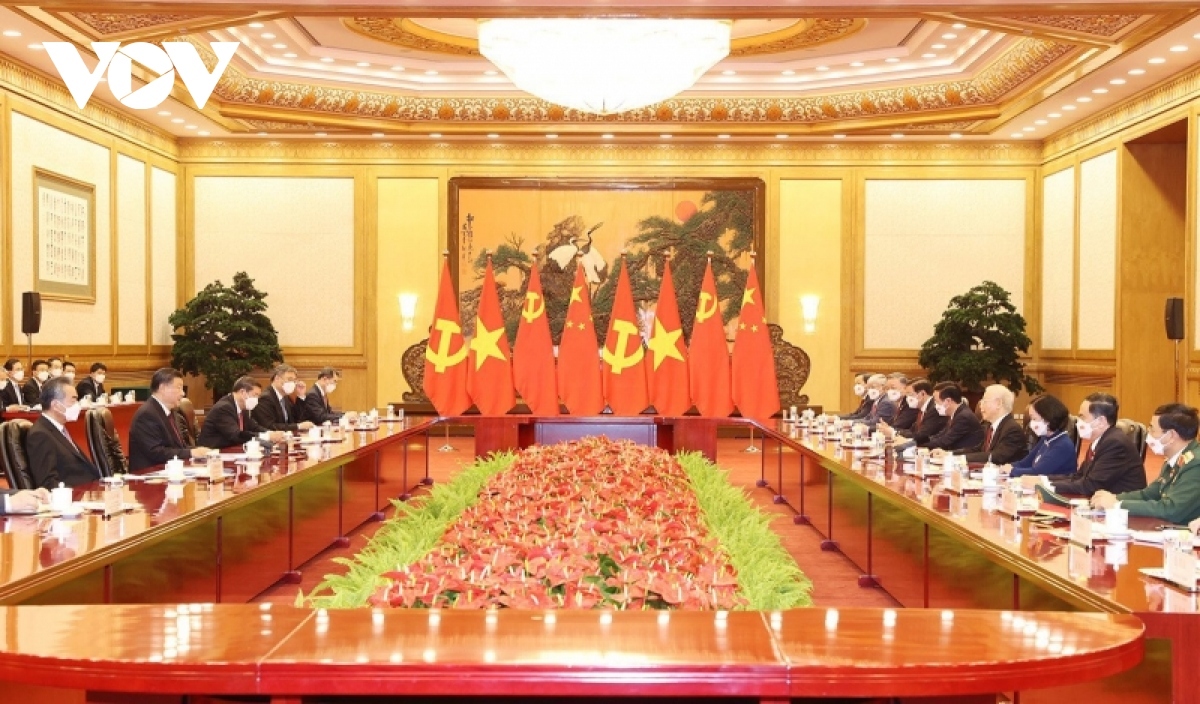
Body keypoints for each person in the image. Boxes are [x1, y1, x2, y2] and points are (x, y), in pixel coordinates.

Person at [1091, 404, 1200, 524]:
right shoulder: (1176, 459)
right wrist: (1114, 497)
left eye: (1152, 429)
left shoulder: (1195, 464)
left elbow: (1171, 510)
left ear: (1171, 435)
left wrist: (1117, 505)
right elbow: (1148, 494)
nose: (1148, 434)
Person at [1023, 393, 1146, 496]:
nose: (1078, 422)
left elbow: (1090, 485)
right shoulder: (1101, 440)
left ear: (1101, 421)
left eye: (1083, 417)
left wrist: (1044, 485)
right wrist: (1042, 479)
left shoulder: (1115, 444)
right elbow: (1079, 476)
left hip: (1124, 512)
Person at [129, 368, 212, 472]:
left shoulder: (172, 411)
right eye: (179, 388)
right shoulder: (147, 414)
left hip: (170, 470)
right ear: (163, 388)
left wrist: (198, 451)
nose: (183, 393)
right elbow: (156, 452)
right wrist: (191, 453)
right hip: (149, 474)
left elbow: (179, 446)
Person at [26, 378, 101, 489]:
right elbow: (48, 483)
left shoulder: (59, 429)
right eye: (73, 400)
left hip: (92, 489)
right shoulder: (40, 435)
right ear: (56, 405)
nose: (78, 405)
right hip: (75, 495)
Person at [197, 376, 284, 450]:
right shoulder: (224, 408)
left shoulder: (243, 408)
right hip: (212, 453)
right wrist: (267, 436)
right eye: (255, 395)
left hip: (232, 451)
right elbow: (236, 435)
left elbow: (254, 427)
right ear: (243, 392)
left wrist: (271, 433)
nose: (257, 400)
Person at [1005, 394, 1077, 478]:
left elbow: (1038, 472)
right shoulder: (1046, 439)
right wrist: (1006, 467)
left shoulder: (1063, 445)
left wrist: (1012, 470)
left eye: (1034, 419)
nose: (1031, 423)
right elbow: (1025, 463)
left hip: (1055, 486)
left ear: (1047, 419)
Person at [958, 385, 1028, 465]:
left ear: (998, 403)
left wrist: (962, 459)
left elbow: (996, 456)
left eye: (984, 401)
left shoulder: (1012, 429)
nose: (980, 406)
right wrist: (951, 455)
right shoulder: (989, 426)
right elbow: (978, 450)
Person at [881, 378, 947, 445]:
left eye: (910, 394)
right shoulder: (922, 408)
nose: (907, 399)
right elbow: (912, 431)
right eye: (907, 395)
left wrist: (894, 432)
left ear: (922, 394)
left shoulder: (934, 409)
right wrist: (892, 430)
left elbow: (922, 435)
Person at [252, 364, 314, 433]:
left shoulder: (285, 397)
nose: (292, 383)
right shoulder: (265, 398)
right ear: (277, 378)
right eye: (289, 379)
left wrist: (301, 396)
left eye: (294, 381)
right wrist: (298, 426)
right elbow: (269, 426)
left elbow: (297, 419)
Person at [925, 382, 985, 452]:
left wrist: (919, 445)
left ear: (948, 401)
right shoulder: (957, 413)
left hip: (966, 456)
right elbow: (941, 435)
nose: (935, 405)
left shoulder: (963, 417)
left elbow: (944, 441)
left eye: (937, 401)